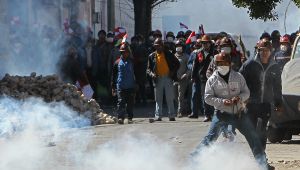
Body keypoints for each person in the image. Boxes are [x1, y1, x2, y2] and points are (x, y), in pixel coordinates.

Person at [191, 53, 274, 170]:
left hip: (239, 115)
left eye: (225, 63)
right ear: (215, 64)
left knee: (254, 139)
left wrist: (240, 98)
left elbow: (246, 92)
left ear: (230, 64)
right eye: (219, 63)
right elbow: (207, 98)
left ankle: (263, 165)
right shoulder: (212, 80)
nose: (222, 65)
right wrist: (223, 102)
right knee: (210, 138)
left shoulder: (238, 77)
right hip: (221, 115)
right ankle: (193, 161)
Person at [239, 38, 282, 152]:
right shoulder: (249, 65)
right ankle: (256, 154)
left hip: (265, 104)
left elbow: (277, 86)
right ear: (258, 50)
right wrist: (242, 99)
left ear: (270, 51)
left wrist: (279, 103)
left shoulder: (275, 66)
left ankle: (261, 157)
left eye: (267, 50)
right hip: (250, 104)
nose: (264, 53)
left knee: (263, 132)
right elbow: (239, 82)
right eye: (262, 50)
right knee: (251, 131)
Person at [147, 38, 179, 122]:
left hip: (168, 77)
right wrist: (152, 74)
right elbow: (148, 69)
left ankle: (171, 115)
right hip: (158, 78)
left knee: (169, 97)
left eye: (159, 46)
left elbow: (177, 63)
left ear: (162, 46)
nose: (158, 47)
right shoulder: (151, 56)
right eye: (156, 46)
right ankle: (158, 116)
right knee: (158, 98)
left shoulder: (168, 54)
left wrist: (172, 72)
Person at [189, 35, 217, 121]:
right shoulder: (198, 53)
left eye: (206, 43)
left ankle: (214, 114)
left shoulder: (214, 53)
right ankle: (207, 114)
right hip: (202, 78)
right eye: (203, 43)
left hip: (213, 78)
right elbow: (195, 66)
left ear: (210, 43)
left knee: (214, 96)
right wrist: (193, 76)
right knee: (204, 97)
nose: (205, 45)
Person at [111, 43, 136, 124]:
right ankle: (120, 117)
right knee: (121, 102)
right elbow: (113, 75)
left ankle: (130, 118)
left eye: (126, 52)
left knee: (130, 103)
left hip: (130, 86)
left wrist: (137, 83)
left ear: (129, 52)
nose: (124, 53)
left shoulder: (132, 61)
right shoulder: (117, 62)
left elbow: (136, 73)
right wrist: (113, 87)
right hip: (121, 86)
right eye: (123, 52)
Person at [174, 40, 190, 117]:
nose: (178, 48)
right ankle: (183, 107)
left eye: (180, 46)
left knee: (180, 96)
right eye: (177, 46)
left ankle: (179, 111)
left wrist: (186, 74)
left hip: (183, 79)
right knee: (174, 96)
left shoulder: (186, 56)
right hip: (174, 79)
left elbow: (190, 68)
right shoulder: (173, 56)